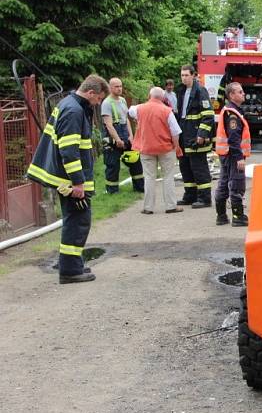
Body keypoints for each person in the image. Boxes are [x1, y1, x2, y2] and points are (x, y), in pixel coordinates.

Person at [27, 75, 109, 284]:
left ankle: (74, 264)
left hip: (66, 178)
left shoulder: (69, 104)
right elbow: (69, 152)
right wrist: (78, 183)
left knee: (76, 220)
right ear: (91, 93)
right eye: (98, 98)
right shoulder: (74, 111)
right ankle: (71, 270)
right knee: (77, 221)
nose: (98, 103)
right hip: (70, 181)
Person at [127, 87, 183, 215]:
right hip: (165, 148)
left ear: (149, 96)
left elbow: (130, 110)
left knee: (149, 177)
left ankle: (148, 207)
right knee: (168, 176)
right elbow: (175, 132)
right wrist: (176, 147)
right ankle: (170, 206)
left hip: (146, 148)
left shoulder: (139, 109)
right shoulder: (167, 111)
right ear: (163, 98)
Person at [175, 64, 215, 207]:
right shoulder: (181, 91)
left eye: (186, 75)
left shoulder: (200, 91)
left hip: (196, 134)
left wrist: (202, 134)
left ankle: (205, 198)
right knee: (185, 166)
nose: (184, 78)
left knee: (199, 167)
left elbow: (208, 115)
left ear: (193, 75)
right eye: (182, 75)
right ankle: (190, 195)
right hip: (184, 133)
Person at [215, 82, 251, 227]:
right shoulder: (233, 114)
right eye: (240, 92)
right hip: (232, 155)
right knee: (236, 184)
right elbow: (234, 138)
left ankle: (221, 216)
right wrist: (239, 158)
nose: (243, 94)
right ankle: (238, 217)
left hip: (225, 154)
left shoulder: (229, 110)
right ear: (231, 95)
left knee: (223, 184)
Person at [101, 77, 144, 193]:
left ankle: (140, 187)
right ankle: (112, 191)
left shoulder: (123, 100)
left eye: (120, 86)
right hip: (112, 138)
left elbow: (126, 120)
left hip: (125, 135)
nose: (119, 88)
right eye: (116, 86)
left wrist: (131, 135)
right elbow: (109, 125)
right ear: (110, 88)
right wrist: (117, 139)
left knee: (135, 161)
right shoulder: (106, 103)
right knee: (113, 165)